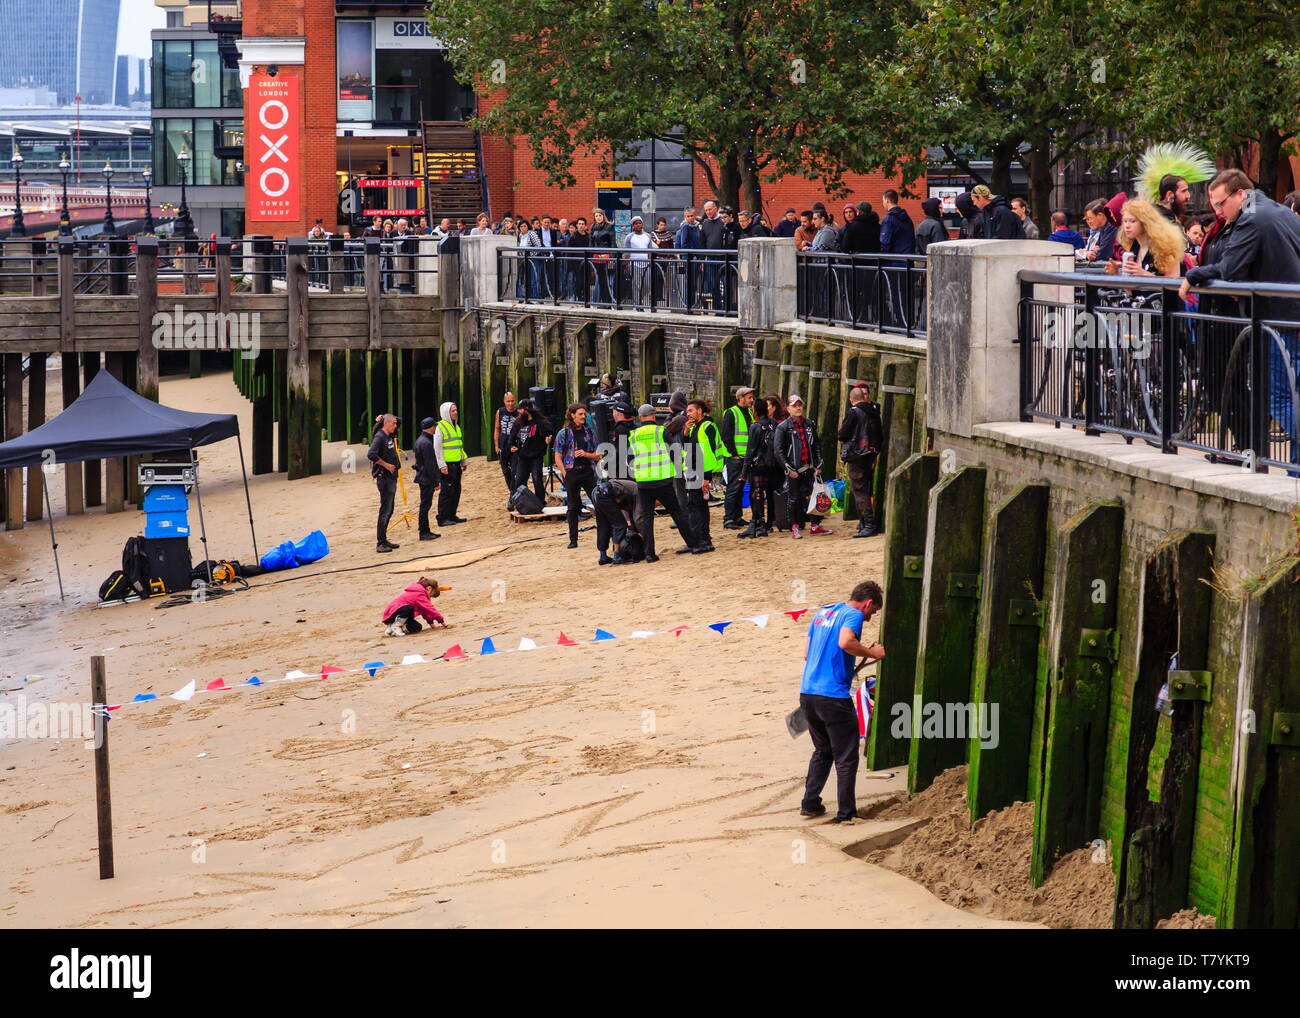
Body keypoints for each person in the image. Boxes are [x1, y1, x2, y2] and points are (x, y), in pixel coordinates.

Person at [1180, 169, 1300, 457]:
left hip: (1277, 317)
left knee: (1279, 396)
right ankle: (1295, 467)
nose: (1218, 211)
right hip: (1289, 314)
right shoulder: (1279, 212)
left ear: (1240, 194)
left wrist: (1195, 273)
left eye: (1221, 204)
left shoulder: (1250, 219)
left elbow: (1231, 268)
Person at [798, 580, 885, 823]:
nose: (869, 619)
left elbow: (806, 652)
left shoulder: (824, 611)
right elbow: (845, 642)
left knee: (822, 750)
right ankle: (846, 813)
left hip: (807, 693)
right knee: (846, 756)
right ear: (867, 603)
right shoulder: (853, 615)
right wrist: (872, 653)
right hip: (832, 697)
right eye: (872, 612)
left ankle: (810, 803)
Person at [629, 403, 698, 561]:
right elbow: (675, 451)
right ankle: (693, 543)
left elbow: (630, 459)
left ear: (640, 417)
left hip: (643, 482)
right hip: (662, 480)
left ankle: (649, 553)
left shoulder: (633, 434)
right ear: (654, 416)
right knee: (677, 513)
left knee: (647, 518)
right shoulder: (661, 431)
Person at [774, 394, 829, 538]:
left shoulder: (809, 424)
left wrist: (819, 464)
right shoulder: (783, 427)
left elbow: (816, 445)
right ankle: (794, 527)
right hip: (794, 469)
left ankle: (815, 526)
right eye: (794, 405)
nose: (798, 408)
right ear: (788, 409)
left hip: (809, 468)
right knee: (793, 498)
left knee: (816, 495)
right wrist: (788, 468)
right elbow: (778, 451)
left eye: (800, 405)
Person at [837, 384, 884, 537]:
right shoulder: (875, 412)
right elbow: (880, 436)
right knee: (866, 487)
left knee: (859, 489)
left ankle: (869, 524)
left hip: (857, 456)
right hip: (871, 455)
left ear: (852, 399)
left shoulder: (854, 412)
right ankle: (864, 523)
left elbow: (843, 434)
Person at [554, 402, 601, 548]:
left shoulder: (589, 432)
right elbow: (557, 456)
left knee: (598, 502)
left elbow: (598, 455)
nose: (583, 416)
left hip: (587, 471)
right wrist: (565, 473)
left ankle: (604, 533)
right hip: (572, 473)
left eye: (584, 414)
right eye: (580, 414)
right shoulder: (564, 433)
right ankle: (573, 540)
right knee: (573, 507)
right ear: (572, 415)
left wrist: (586, 454)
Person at [681, 398, 723, 554]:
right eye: (687, 412)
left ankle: (702, 541)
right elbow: (688, 449)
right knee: (695, 505)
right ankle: (697, 540)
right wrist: (685, 432)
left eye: (691, 410)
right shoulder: (694, 428)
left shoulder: (707, 427)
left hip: (701, 472)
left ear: (700, 411)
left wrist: (706, 478)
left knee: (697, 506)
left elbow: (709, 455)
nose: (688, 414)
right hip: (693, 471)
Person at [1106, 199, 1185, 278]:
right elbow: (1131, 289)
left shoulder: (1167, 248)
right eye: (1125, 221)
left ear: (1146, 222)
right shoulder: (1133, 248)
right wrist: (1117, 273)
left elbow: (1172, 285)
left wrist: (1144, 274)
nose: (1127, 226)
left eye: (1132, 221)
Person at [736, 394, 778, 538]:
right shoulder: (773, 423)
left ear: (755, 411)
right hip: (771, 464)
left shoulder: (755, 426)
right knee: (768, 494)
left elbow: (750, 450)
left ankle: (756, 525)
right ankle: (766, 523)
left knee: (757, 494)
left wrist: (744, 471)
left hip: (758, 464)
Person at [719, 386, 755, 529]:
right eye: (749, 398)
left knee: (740, 489)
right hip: (735, 458)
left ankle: (737, 517)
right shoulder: (731, 413)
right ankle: (728, 519)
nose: (752, 400)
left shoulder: (749, 413)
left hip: (745, 457)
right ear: (740, 398)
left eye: (752, 397)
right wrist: (734, 453)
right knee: (733, 488)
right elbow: (726, 436)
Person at [507, 398, 553, 503]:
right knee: (519, 481)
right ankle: (522, 502)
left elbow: (549, 431)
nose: (518, 411)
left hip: (536, 456)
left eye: (520, 409)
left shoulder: (540, 422)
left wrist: (548, 439)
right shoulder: (518, 422)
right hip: (522, 456)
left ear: (527, 409)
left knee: (537, 480)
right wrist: (511, 446)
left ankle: (540, 502)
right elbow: (512, 436)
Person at [368, 413, 402, 553]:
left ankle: (384, 539)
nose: (395, 426)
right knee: (385, 510)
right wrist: (386, 465)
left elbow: (398, 421)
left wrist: (384, 418)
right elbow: (371, 454)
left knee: (390, 509)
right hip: (384, 478)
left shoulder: (389, 435)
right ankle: (380, 542)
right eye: (393, 424)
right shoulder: (380, 436)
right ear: (386, 424)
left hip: (391, 477)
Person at [434, 401, 468, 527]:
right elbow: (437, 448)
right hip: (447, 465)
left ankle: (452, 514)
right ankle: (442, 518)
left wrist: (463, 460)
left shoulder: (456, 426)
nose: (455, 412)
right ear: (446, 413)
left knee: (456, 490)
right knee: (446, 491)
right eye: (453, 411)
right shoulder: (440, 427)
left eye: (456, 410)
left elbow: (459, 446)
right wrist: (442, 465)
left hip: (456, 463)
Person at [592, 474, 639, 565]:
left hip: (596, 492)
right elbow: (636, 514)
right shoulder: (638, 492)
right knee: (620, 525)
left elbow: (629, 511)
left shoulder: (632, 488)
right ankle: (616, 556)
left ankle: (603, 557)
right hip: (607, 493)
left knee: (603, 525)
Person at [381, 576, 447, 637]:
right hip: (392, 614)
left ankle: (391, 629)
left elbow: (426, 611)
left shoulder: (421, 593)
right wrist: (442, 622)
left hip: (402, 616)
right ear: (429, 589)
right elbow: (431, 609)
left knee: (417, 627)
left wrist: (432, 625)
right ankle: (396, 626)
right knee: (408, 608)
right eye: (431, 595)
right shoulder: (419, 594)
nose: (429, 598)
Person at [413, 417, 441, 542]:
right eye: (434, 426)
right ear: (430, 428)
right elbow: (430, 465)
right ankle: (424, 532)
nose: (435, 428)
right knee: (425, 505)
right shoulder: (427, 443)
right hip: (426, 479)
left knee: (425, 505)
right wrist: (436, 482)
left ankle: (425, 530)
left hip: (422, 476)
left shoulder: (420, 441)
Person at [493, 391, 520, 493]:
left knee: (514, 471)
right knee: (506, 472)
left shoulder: (519, 412)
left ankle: (513, 495)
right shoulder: (500, 412)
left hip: (514, 446)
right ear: (504, 401)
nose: (510, 404)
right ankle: (512, 492)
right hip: (503, 445)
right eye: (508, 401)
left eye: (512, 401)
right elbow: (497, 428)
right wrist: (496, 445)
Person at [625, 215, 654, 308]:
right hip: (634, 263)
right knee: (636, 285)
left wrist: (650, 262)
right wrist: (627, 265)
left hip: (646, 264)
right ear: (633, 226)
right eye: (636, 224)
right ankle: (637, 305)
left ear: (642, 224)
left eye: (639, 223)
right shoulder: (629, 237)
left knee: (648, 284)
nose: (638, 225)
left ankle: (639, 298)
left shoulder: (647, 236)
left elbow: (650, 251)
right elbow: (626, 252)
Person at [1080, 198, 1117, 263]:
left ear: (1100, 215)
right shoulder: (1103, 228)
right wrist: (1093, 251)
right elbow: (1096, 248)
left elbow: (1102, 254)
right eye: (1087, 219)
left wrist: (1093, 253)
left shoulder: (1111, 227)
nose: (1089, 222)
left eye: (1090, 218)